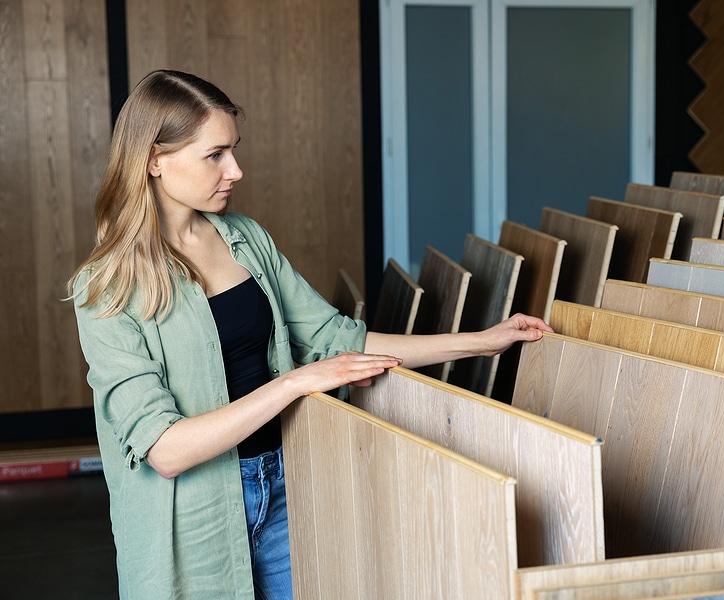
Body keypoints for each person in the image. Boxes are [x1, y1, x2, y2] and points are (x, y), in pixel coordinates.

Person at [68, 69, 551, 600]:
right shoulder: (107, 286)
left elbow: (337, 340)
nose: (236, 170)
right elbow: (166, 450)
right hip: (190, 519)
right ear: (154, 159)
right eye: (215, 155)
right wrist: (294, 383)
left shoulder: (246, 239)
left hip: (283, 486)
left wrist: (481, 341)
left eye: (234, 150)